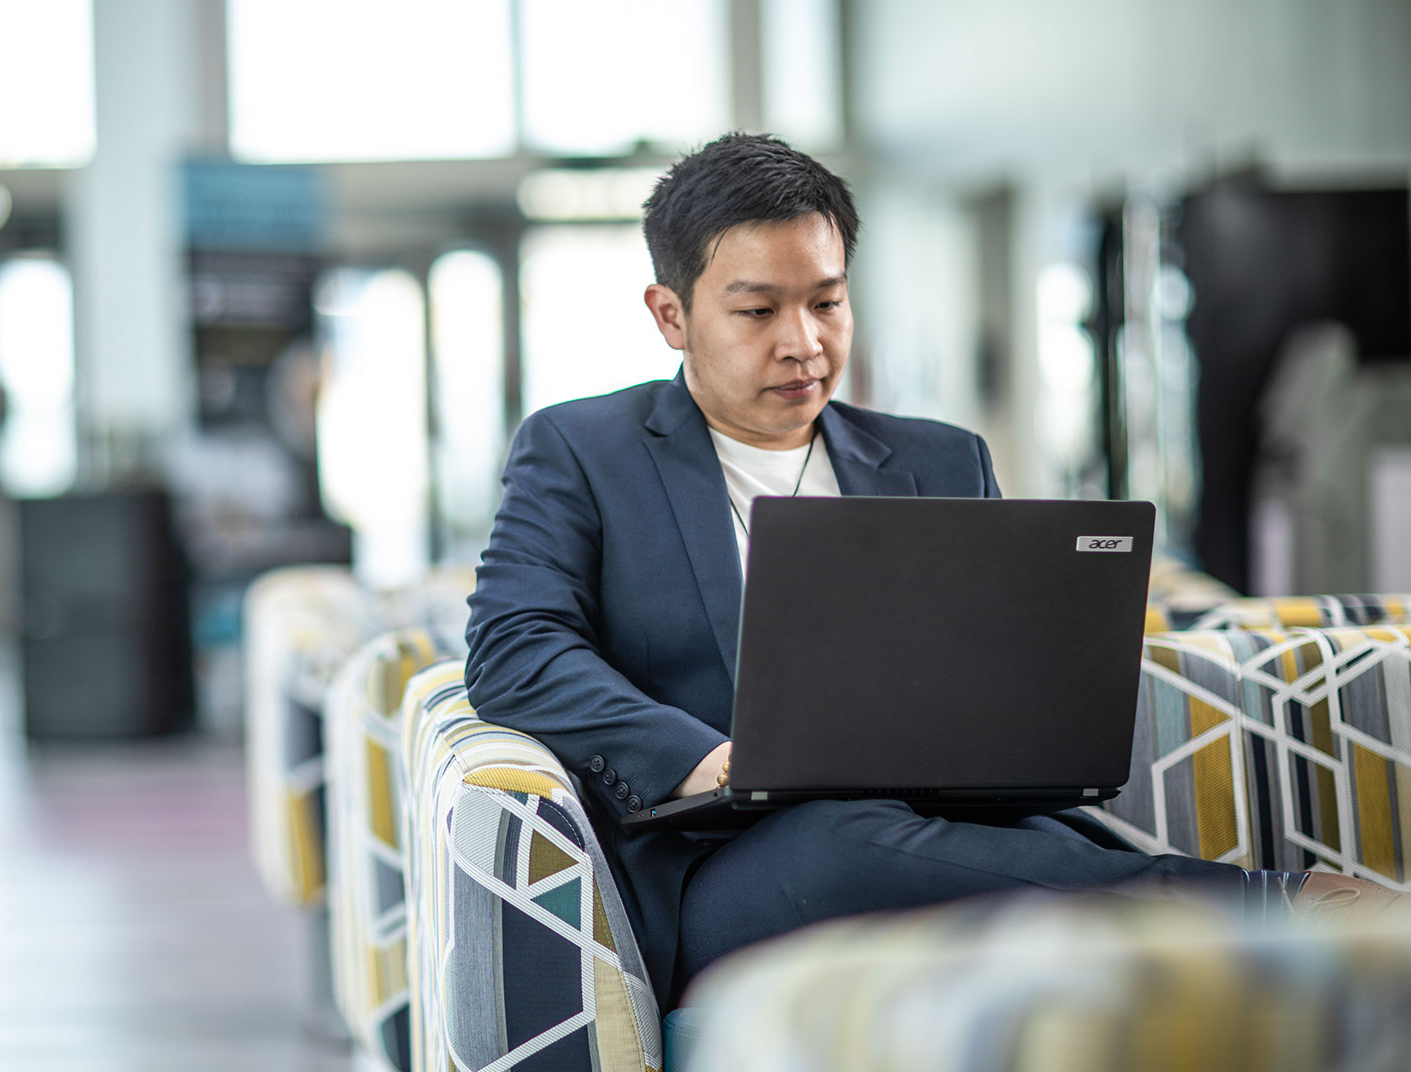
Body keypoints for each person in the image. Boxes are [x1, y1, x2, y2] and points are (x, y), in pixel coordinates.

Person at [462, 132, 1403, 1007]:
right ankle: (1268, 904)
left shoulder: (941, 459)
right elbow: (515, 646)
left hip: (949, 828)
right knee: (837, 847)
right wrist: (701, 758)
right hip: (729, 864)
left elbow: (995, 673)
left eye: (827, 301)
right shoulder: (584, 449)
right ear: (670, 314)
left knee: (970, 844)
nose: (805, 341)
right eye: (757, 311)